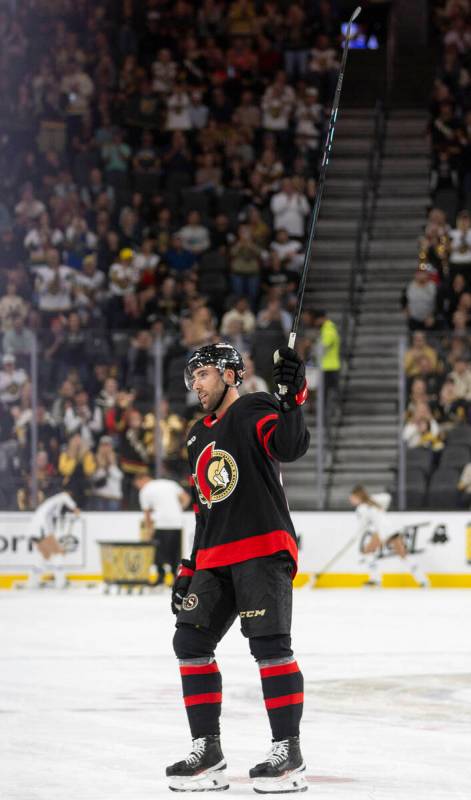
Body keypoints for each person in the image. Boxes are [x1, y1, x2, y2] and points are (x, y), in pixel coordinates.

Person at [166, 342, 310, 793]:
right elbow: (203, 507)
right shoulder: (194, 436)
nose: (196, 384)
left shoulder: (254, 408)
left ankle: (288, 753)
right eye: (193, 377)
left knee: (269, 646)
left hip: (261, 549)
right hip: (213, 556)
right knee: (189, 640)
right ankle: (207, 751)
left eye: (204, 374)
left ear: (231, 375)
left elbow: (289, 444)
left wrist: (294, 396)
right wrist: (190, 565)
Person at [348, 486, 430, 588]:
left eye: (352, 498)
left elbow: (362, 526)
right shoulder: (373, 503)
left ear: (358, 497)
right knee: (402, 554)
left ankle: (375, 579)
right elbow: (387, 497)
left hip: (383, 531)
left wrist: (354, 537)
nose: (350, 500)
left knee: (368, 551)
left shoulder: (362, 508)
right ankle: (423, 580)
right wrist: (369, 499)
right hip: (392, 528)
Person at [134, 467, 190, 584]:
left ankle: (161, 576)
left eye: (137, 484)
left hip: (160, 524)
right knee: (175, 552)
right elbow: (186, 498)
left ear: (142, 479)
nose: (138, 487)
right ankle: (175, 577)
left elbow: (147, 514)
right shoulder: (170, 484)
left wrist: (149, 530)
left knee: (157, 553)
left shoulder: (145, 490)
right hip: (176, 522)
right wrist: (178, 509)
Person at [27, 490, 80, 589]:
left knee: (45, 556)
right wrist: (75, 508)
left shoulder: (50, 506)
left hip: (34, 530)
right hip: (40, 530)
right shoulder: (59, 498)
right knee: (58, 554)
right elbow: (64, 496)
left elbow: (50, 523)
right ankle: (61, 582)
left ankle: (32, 582)